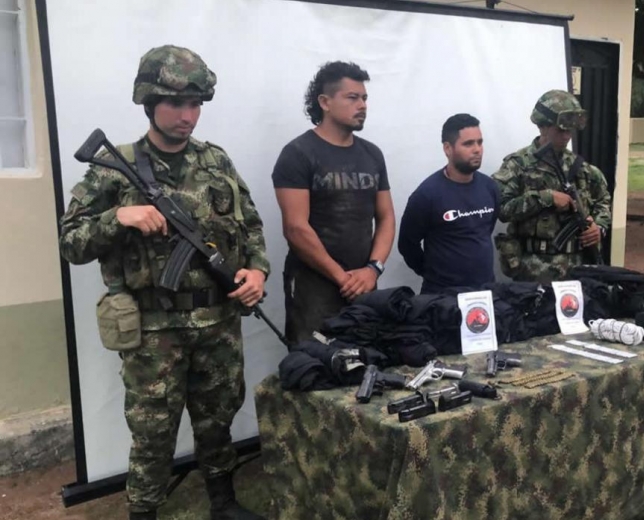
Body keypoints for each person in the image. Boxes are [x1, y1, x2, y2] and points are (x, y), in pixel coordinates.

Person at [59, 46, 267, 520]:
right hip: (154, 330)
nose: (187, 116)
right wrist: (119, 216)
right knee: (153, 431)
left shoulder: (216, 161)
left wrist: (256, 272)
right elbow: (71, 243)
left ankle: (223, 501)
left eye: (195, 105)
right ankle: (144, 512)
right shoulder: (114, 168)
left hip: (218, 320)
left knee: (218, 419)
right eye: (175, 104)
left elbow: (251, 227)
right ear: (148, 102)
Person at [272, 61, 395, 343]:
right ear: (324, 102)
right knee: (315, 370)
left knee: (366, 365)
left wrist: (373, 269)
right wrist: (342, 278)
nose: (362, 105)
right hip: (314, 288)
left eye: (364, 98)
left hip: (364, 283)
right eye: (352, 97)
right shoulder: (298, 154)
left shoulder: (372, 154)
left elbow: (386, 217)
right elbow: (295, 228)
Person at [492, 89, 612, 283]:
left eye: (570, 130)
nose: (567, 136)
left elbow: (603, 201)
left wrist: (599, 227)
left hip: (577, 271)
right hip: (533, 271)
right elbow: (501, 209)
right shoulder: (518, 165)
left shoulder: (583, 169)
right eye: (561, 129)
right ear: (543, 127)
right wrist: (545, 198)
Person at [398, 113, 499, 293]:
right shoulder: (427, 195)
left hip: (483, 295)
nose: (477, 149)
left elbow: (485, 230)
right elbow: (407, 245)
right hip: (442, 297)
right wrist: (434, 275)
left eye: (480, 142)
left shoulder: (489, 187)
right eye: (468, 144)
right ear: (447, 148)